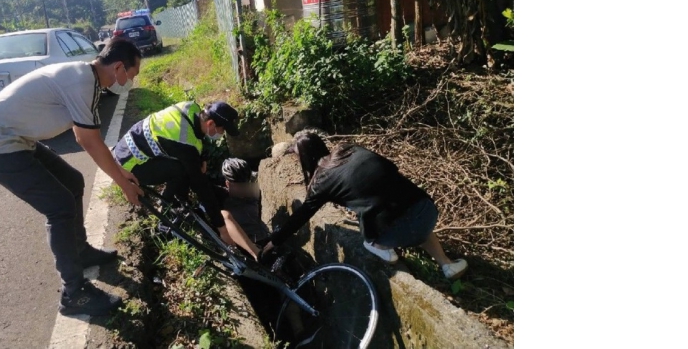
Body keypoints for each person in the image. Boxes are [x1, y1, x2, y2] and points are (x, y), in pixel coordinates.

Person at [0, 39, 145, 317]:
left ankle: (80, 252)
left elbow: (83, 133)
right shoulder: (81, 81)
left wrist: (121, 172)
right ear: (119, 67)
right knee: (59, 206)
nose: (130, 82)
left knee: (73, 182)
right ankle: (74, 294)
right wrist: (123, 184)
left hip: (16, 141)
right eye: (131, 76)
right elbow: (89, 140)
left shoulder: (88, 79)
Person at [258, 132, 468, 280]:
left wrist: (274, 242)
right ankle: (447, 265)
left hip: (397, 233)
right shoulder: (349, 149)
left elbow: (300, 217)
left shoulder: (320, 182)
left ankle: (382, 248)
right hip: (426, 209)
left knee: (376, 233)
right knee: (407, 211)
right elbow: (390, 167)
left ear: (302, 159)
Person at [112, 101, 263, 260]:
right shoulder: (184, 144)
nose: (222, 133)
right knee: (182, 171)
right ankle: (170, 212)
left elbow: (197, 135)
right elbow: (201, 187)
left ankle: (179, 201)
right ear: (210, 123)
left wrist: (202, 157)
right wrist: (222, 230)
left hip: (124, 148)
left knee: (187, 168)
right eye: (222, 129)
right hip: (129, 166)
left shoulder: (193, 108)